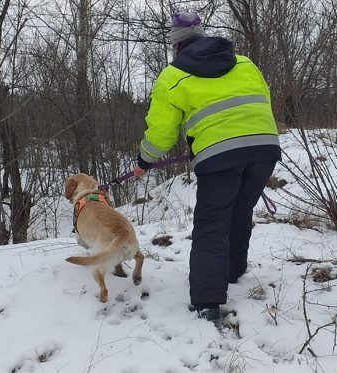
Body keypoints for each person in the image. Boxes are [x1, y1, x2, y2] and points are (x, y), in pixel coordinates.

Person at [133, 11, 281, 321]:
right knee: (239, 212)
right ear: (202, 37)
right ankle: (232, 273)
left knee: (212, 223)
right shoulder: (244, 62)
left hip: (220, 157)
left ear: (176, 47)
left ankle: (207, 301)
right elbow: (262, 99)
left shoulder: (173, 76)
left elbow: (161, 132)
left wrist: (144, 161)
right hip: (265, 147)